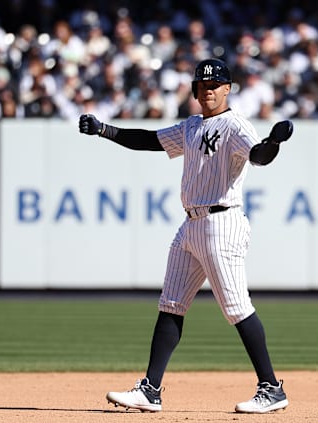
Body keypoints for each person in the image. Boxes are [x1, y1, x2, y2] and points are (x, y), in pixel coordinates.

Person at [78, 58, 293, 414]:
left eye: (214, 85)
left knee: (237, 308)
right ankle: (150, 389)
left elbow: (258, 156)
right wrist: (105, 130)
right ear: (194, 91)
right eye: (202, 85)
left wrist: (273, 142)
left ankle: (271, 387)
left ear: (227, 89)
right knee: (171, 304)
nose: (208, 90)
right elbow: (150, 140)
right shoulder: (192, 126)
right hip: (191, 224)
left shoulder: (235, 124)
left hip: (221, 221)